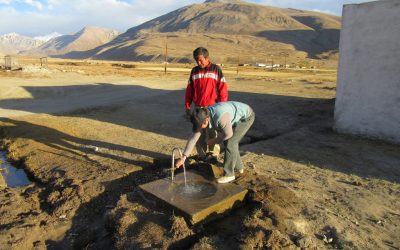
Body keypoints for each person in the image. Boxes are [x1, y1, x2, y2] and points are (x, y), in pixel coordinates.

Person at [176, 101, 255, 184]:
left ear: (206, 120)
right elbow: (193, 139)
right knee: (229, 142)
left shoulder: (220, 117)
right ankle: (239, 167)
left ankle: (229, 174)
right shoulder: (201, 118)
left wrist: (214, 141)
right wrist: (183, 157)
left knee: (231, 142)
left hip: (246, 117)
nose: (199, 128)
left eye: (200, 126)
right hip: (233, 116)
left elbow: (228, 134)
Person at [184, 47, 228, 159]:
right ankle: (202, 155)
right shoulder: (194, 71)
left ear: (207, 58)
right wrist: (188, 106)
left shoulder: (216, 69)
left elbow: (223, 89)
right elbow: (189, 90)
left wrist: (222, 106)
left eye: (200, 60)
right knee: (199, 133)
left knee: (213, 132)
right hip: (198, 108)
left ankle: (213, 155)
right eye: (196, 60)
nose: (198, 63)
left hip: (213, 108)